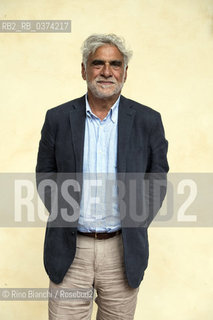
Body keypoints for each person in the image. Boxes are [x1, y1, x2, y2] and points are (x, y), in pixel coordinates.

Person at [36, 33, 169, 320]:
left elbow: (157, 178)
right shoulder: (58, 119)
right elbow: (45, 174)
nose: (107, 71)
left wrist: (137, 219)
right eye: (98, 63)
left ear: (125, 72)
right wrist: (65, 213)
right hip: (70, 251)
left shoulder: (148, 121)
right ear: (84, 69)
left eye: (115, 64)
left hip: (122, 251)